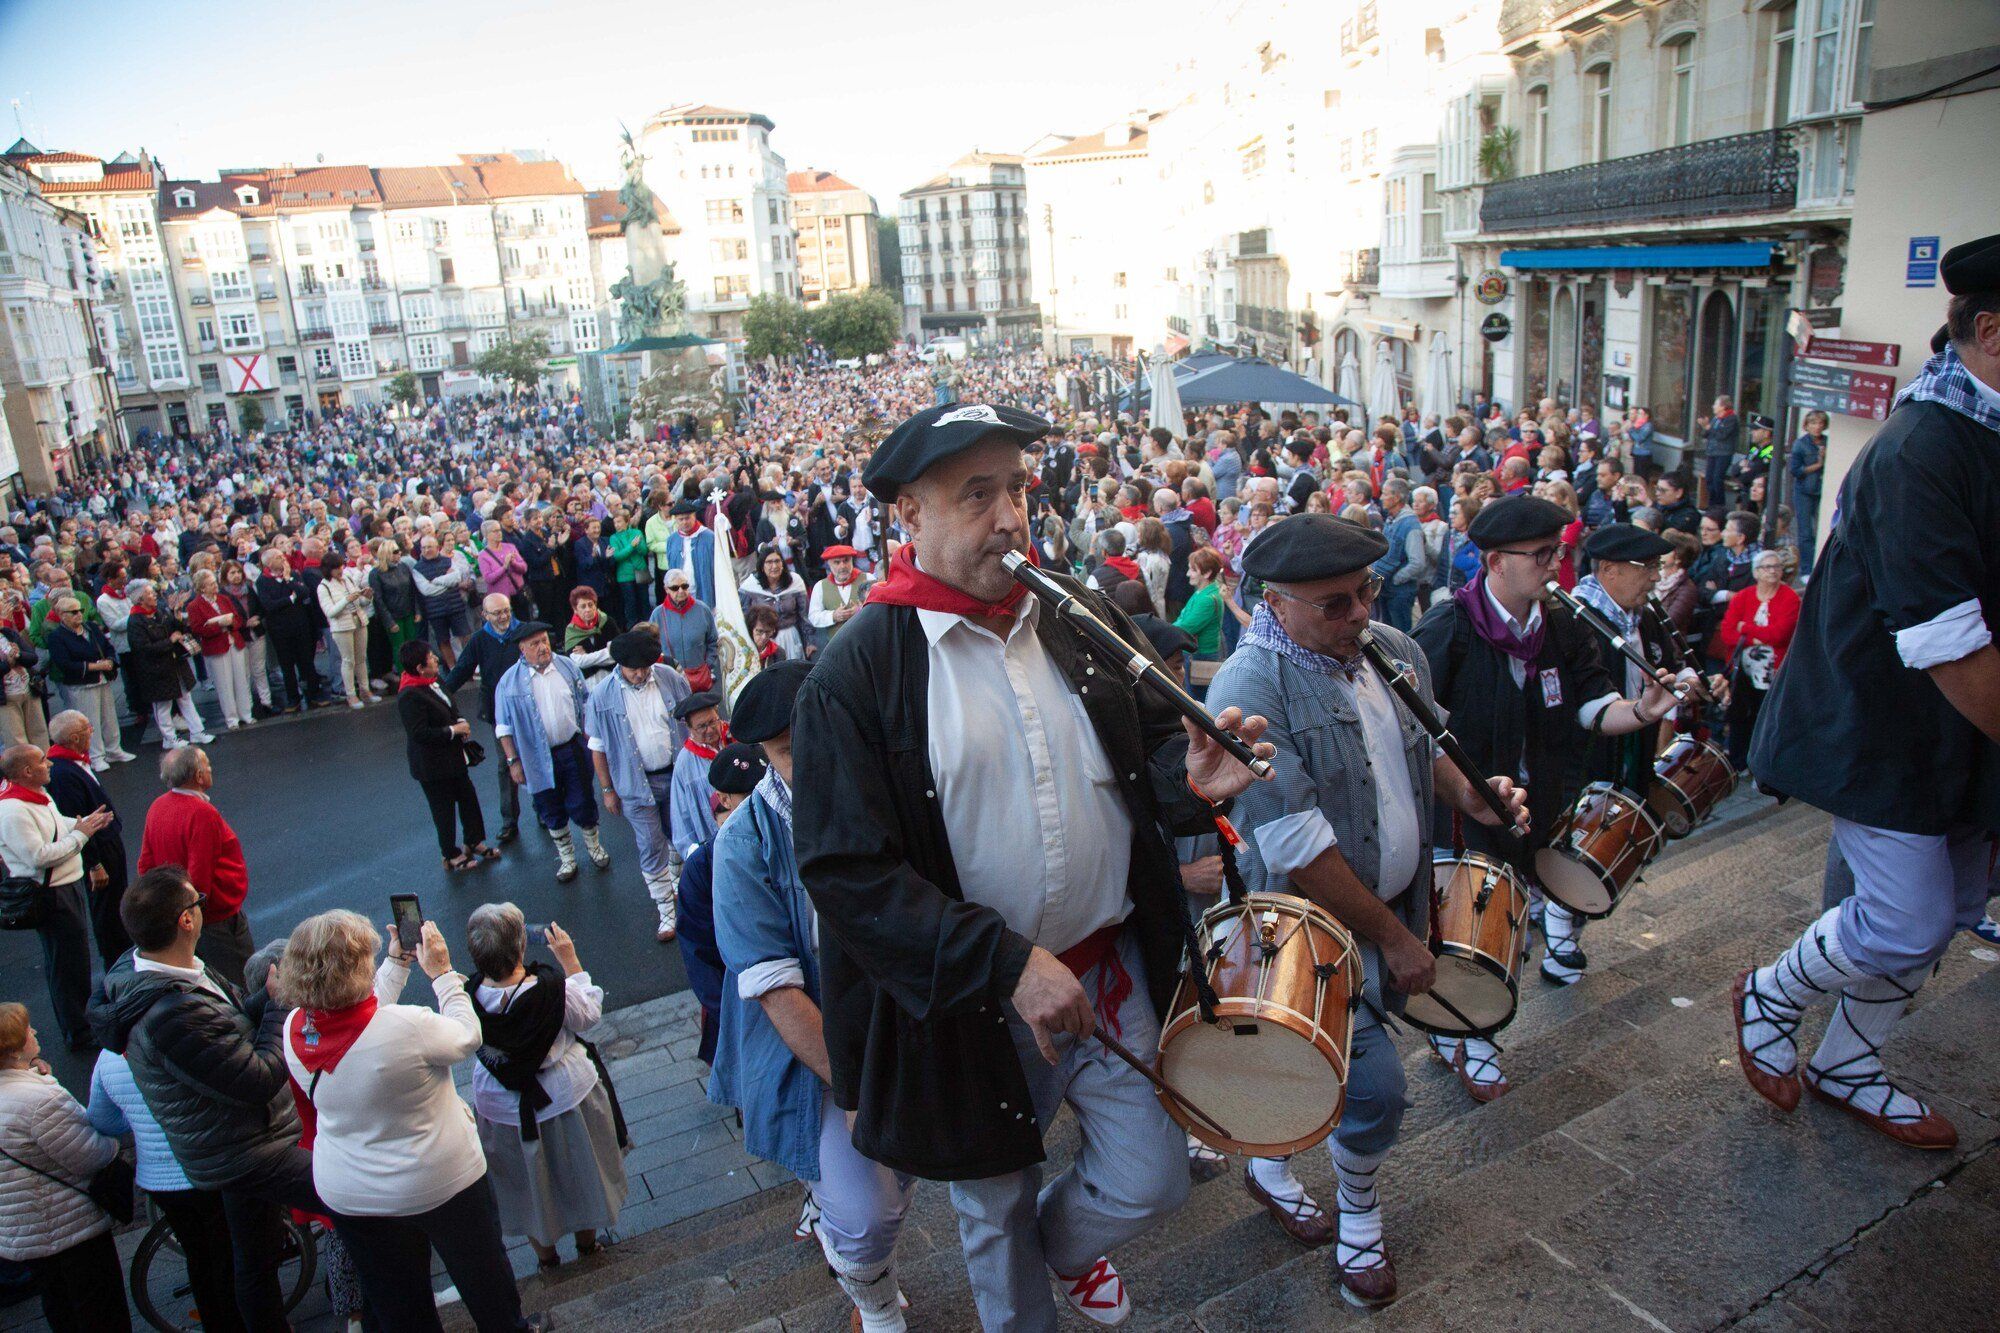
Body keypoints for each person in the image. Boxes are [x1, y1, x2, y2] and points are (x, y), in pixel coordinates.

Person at [791, 402, 1275, 1330]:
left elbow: (1141, 767)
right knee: (994, 1211)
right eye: (977, 494)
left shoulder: (1076, 613)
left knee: (1153, 1177)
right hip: (973, 1008)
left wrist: (1197, 782)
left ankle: (1063, 1253)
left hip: (1109, 966)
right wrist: (1007, 962)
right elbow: (848, 872)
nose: (1011, 515)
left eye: (1016, 486)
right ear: (907, 516)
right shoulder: (855, 674)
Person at [1208, 516, 1527, 1303]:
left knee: (1331, 1077)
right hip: (1307, 931)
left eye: (1366, 592)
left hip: (1392, 908)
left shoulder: (1392, 646)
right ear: (1274, 603)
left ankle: (1270, 1162)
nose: (1358, 614)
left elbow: (1432, 745)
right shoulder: (1251, 687)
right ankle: (1358, 1216)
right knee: (1378, 1088)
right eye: (1334, 603)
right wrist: (1397, 941)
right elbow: (1301, 845)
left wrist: (1479, 801)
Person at [1737, 234, 2000, 1154]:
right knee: (1906, 915)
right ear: (1993, 331)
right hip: (1887, 730)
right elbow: (1949, 641)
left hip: (1960, 736)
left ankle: (1850, 1060)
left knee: (1952, 907)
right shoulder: (1922, 450)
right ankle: (1772, 992)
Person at [1411, 497, 1684, 1098]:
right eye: (1540, 554)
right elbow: (1413, 730)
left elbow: (1589, 704)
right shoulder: (1447, 629)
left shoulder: (1560, 623)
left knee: (1513, 927)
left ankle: (1462, 1029)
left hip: (1539, 804)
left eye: (1557, 552)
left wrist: (1641, 709)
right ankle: (1469, 1036)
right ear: (1493, 561)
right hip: (1465, 813)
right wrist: (1463, 791)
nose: (1554, 565)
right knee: (1476, 928)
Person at [710, 660, 915, 1330]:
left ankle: (867, 1263)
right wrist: (859, 1087)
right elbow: (777, 996)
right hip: (818, 1059)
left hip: (899, 1030)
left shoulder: (886, 789)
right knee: (866, 1210)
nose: (816, 758)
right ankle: (875, 1300)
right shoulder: (744, 843)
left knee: (902, 1174)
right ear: (764, 757)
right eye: (791, 753)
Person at [277, 910, 550, 1332]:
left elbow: (360, 1023)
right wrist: (442, 975)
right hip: (439, 1182)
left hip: (352, 1193)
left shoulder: (298, 1028)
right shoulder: (409, 1027)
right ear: (356, 968)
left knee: (398, 1303)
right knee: (483, 1275)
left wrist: (397, 963)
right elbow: (466, 1035)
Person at [90, 865, 324, 1332]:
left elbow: (231, 1023)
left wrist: (263, 998)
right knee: (357, 1192)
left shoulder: (165, 974)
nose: (203, 905)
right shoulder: (169, 1010)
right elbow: (256, 1077)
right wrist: (278, 1005)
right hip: (245, 1151)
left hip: (228, 1147)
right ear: (186, 921)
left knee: (253, 1262)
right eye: (197, 900)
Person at [463, 905, 626, 1271]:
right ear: (521, 948)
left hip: (501, 1109)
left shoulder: (466, 999)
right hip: (565, 1099)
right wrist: (571, 962)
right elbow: (589, 1015)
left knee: (526, 1189)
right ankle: (587, 1247)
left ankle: (546, 1259)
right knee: (580, 1174)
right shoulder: (553, 989)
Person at [88, 1034, 242, 1333]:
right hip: (201, 1165)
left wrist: (137, 1120)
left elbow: (102, 1120)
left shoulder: (107, 1057)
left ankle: (216, 1324)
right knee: (228, 1254)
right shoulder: (172, 1036)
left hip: (157, 1177)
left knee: (198, 1256)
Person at [0, 1003, 130, 1333]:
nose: (35, 1032)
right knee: (100, 1312)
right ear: (14, 1048)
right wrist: (114, 1143)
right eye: (27, 1030)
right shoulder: (37, 1101)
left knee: (60, 1308)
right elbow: (91, 1155)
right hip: (69, 1228)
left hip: (25, 1231)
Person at [0, 744, 115, 1051]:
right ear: (26, 771)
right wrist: (81, 835)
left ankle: (80, 1023)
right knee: (66, 966)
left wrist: (84, 823)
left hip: (64, 888)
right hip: (50, 895)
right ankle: (78, 1031)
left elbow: (58, 825)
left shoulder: (37, 795)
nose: (49, 763)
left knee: (72, 961)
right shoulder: (13, 810)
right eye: (41, 761)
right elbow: (38, 856)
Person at [586, 629, 692, 942]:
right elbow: (597, 747)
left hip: (676, 775)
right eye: (635, 669)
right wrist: (607, 790)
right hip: (635, 785)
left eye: (646, 666)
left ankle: (682, 893)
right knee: (650, 845)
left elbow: (692, 718)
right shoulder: (601, 696)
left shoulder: (670, 678)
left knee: (681, 838)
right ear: (619, 666)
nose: (642, 674)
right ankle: (666, 913)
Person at [493, 621, 609, 884]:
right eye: (535, 644)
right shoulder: (509, 682)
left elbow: (585, 702)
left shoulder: (567, 666)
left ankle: (594, 847)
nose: (543, 647)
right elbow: (503, 727)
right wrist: (513, 761)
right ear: (522, 649)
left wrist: (591, 738)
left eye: (544, 640)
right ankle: (567, 858)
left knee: (584, 800)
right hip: (535, 757)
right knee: (550, 806)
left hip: (573, 747)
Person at [135, 746, 254, 988]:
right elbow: (200, 874)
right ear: (198, 776)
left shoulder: (158, 805)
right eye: (207, 765)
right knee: (238, 979)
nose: (211, 769)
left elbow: (145, 863)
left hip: (179, 914)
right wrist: (193, 910)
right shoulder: (202, 813)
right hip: (213, 918)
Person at [678, 742, 764, 1066]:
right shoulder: (701, 868)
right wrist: (732, 1013)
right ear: (723, 800)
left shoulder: (783, 841)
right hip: (736, 1006)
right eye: (744, 798)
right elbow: (699, 953)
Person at [396, 640, 497, 872]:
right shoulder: (409, 696)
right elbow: (419, 733)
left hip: (453, 758)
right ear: (420, 668)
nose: (436, 660)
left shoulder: (434, 681)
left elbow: (450, 706)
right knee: (443, 809)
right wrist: (453, 731)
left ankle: (474, 840)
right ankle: (450, 853)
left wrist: (458, 720)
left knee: (468, 798)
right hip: (431, 766)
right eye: (431, 658)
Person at [441, 594, 532, 844]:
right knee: (506, 764)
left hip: (528, 707)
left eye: (506, 611)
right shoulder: (481, 640)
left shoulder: (524, 631)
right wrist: (441, 697)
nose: (503, 617)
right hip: (498, 712)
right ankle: (509, 820)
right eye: (497, 613)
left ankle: (544, 811)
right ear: (485, 615)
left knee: (535, 757)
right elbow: (462, 670)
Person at [45, 711, 132, 968]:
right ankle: (115, 961)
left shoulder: (74, 763)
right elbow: (78, 822)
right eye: (87, 728)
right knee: (107, 909)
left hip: (107, 841)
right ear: (74, 738)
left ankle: (122, 951)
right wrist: (94, 864)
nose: (91, 731)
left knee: (117, 901)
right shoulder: (63, 774)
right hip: (99, 850)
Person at [1717, 549, 1800, 773]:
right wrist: (1758, 636)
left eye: (1777, 566)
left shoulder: (1789, 598)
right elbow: (1727, 633)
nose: (1773, 571)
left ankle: (1764, 765)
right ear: (1756, 572)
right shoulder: (1743, 596)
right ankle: (1738, 762)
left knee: (1767, 717)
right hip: (1741, 668)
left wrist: (1747, 630)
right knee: (1740, 714)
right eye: (1767, 567)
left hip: (1774, 669)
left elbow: (1780, 634)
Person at [42, 594, 132, 767]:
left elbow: (107, 647)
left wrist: (110, 661)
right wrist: (94, 666)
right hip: (81, 684)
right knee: (89, 721)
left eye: (81, 610)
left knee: (109, 717)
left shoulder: (90, 627)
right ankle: (96, 756)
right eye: (73, 612)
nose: (79, 615)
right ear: (61, 614)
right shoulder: (57, 637)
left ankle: (114, 750)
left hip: (102, 678)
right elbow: (64, 663)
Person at [125, 578, 212, 747]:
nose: (155, 596)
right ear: (140, 600)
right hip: (156, 669)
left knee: (185, 698)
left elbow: (179, 628)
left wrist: (177, 613)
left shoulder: (161, 613)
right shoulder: (135, 621)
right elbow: (143, 648)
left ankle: (197, 732)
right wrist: (170, 641)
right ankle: (169, 738)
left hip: (174, 664)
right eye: (150, 593)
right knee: (162, 705)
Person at [186, 568, 257, 730]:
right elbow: (197, 629)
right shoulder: (194, 606)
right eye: (210, 584)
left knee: (241, 679)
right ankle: (231, 719)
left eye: (214, 582)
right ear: (202, 588)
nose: (215, 586)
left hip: (234, 642)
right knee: (224, 684)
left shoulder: (224, 599)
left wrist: (231, 623)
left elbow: (238, 618)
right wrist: (219, 625)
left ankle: (246, 714)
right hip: (216, 646)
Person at [254, 551, 325, 712]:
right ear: (269, 563)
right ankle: (293, 697)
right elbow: (269, 605)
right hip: (279, 629)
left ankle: (314, 692)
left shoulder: (293, 574)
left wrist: (289, 580)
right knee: (287, 665)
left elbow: (304, 593)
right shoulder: (262, 581)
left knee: (306, 660)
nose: (283, 558)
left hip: (300, 625)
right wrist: (290, 599)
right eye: (278, 557)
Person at [667, 691, 727, 862]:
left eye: (712, 721)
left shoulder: (736, 739)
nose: (710, 730)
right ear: (689, 728)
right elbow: (681, 815)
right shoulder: (684, 764)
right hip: (715, 846)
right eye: (701, 726)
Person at [316, 551, 376, 708]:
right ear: (328, 569)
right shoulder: (323, 587)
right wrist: (346, 600)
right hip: (342, 627)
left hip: (359, 621)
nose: (340, 570)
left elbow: (361, 603)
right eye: (336, 568)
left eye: (341, 567)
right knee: (348, 660)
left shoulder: (348, 578)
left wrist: (367, 597)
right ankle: (351, 694)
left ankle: (365, 690)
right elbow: (330, 612)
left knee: (361, 658)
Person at [649, 570, 722, 693]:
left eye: (684, 586)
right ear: (666, 589)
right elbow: (650, 646)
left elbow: (713, 641)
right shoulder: (657, 614)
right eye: (675, 588)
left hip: (700, 679)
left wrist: (708, 666)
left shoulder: (703, 609)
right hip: (670, 680)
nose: (681, 591)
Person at [739, 545, 812, 660]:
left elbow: (804, 615)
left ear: (783, 564)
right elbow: (744, 618)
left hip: (790, 637)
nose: (774, 566)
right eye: (769, 562)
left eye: (777, 561)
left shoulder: (795, 582)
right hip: (763, 639)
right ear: (762, 566)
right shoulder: (750, 586)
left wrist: (809, 641)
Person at [1787, 409, 1830, 574]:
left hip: (1822, 491)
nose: (1817, 427)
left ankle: (1819, 567)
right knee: (1805, 532)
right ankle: (1806, 570)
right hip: (1805, 491)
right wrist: (1818, 464)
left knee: (1822, 529)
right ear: (1806, 425)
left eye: (1820, 423)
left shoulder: (1828, 441)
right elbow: (1795, 470)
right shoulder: (1801, 444)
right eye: (1813, 423)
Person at [806, 543, 871, 648]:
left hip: (866, 642)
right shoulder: (820, 586)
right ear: (829, 564)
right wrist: (833, 616)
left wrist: (860, 610)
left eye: (846, 561)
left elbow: (878, 607)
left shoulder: (868, 578)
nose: (842, 566)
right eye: (837, 562)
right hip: (837, 647)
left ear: (851, 561)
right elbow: (813, 617)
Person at [561, 586, 619, 681]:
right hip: (588, 681)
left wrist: (587, 654)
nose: (588, 609)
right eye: (583, 606)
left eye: (590, 605)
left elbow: (618, 652)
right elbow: (579, 662)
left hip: (612, 676)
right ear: (575, 609)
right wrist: (607, 651)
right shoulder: (572, 631)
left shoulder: (607, 622)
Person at [1694, 395, 1738, 509]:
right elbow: (1706, 434)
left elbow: (1722, 435)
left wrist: (1709, 427)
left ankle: (1719, 505)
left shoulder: (1731, 418)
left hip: (1724, 453)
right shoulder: (1716, 418)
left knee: (1717, 479)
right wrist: (1704, 426)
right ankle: (1711, 503)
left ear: (1723, 406)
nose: (1713, 406)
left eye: (1716, 404)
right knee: (1709, 478)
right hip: (1712, 452)